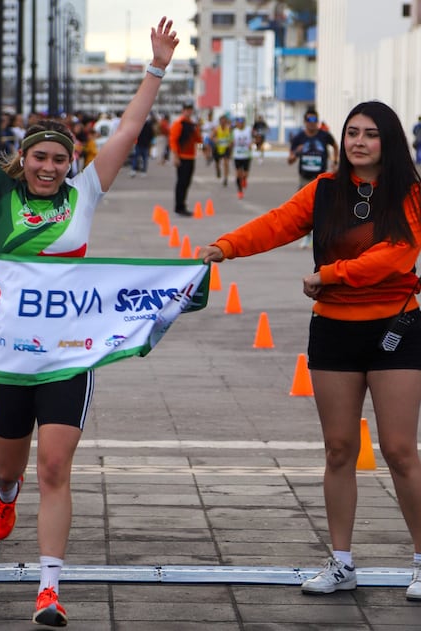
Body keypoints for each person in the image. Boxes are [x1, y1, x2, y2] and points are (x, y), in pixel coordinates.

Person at [0, 11, 179, 627]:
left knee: (56, 465)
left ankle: (49, 588)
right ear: (23, 161)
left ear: (71, 161)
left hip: (69, 354)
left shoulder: (86, 192)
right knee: (11, 467)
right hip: (7, 357)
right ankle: (5, 497)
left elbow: (131, 129)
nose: (50, 168)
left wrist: (156, 66)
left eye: (60, 159)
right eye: (40, 159)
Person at [197, 101, 421, 602]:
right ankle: (341, 563)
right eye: (352, 133)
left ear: (390, 141)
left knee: (401, 451)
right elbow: (277, 223)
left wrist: (330, 275)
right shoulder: (324, 190)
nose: (359, 142)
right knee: (339, 450)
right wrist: (225, 246)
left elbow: (397, 254)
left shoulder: (410, 193)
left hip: (396, 328)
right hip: (334, 331)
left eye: (371, 134)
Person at [288, 107, 339, 249]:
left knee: (323, 208)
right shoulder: (299, 138)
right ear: (304, 122)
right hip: (304, 178)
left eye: (314, 120)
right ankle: (307, 237)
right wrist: (297, 152)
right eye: (309, 120)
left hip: (320, 178)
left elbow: (335, 146)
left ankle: (323, 236)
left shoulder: (324, 135)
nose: (312, 123)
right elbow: (290, 159)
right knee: (305, 210)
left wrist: (335, 161)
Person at [169, 102, 202, 216]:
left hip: (191, 156)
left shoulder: (192, 124)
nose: (189, 111)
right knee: (181, 183)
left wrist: (198, 129)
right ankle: (179, 207)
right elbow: (173, 140)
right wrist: (175, 156)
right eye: (187, 109)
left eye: (190, 109)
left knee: (187, 182)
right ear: (183, 111)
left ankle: (183, 205)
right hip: (182, 157)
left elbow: (198, 139)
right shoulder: (179, 123)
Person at [231, 116, 253, 200]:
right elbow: (231, 141)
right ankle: (240, 191)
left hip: (246, 155)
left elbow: (253, 139)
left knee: (245, 174)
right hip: (237, 155)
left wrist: (252, 144)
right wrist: (231, 144)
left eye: (242, 123)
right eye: (239, 123)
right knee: (238, 174)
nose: (240, 124)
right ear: (237, 123)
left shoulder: (248, 130)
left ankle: (244, 179)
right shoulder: (234, 132)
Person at [211, 114, 232, 186]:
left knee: (226, 163)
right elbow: (211, 137)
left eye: (224, 121)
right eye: (222, 121)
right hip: (218, 148)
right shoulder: (216, 129)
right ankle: (218, 170)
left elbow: (231, 138)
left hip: (226, 148)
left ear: (226, 122)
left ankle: (225, 178)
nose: (223, 122)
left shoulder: (228, 129)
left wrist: (230, 143)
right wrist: (215, 139)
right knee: (217, 163)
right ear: (220, 122)